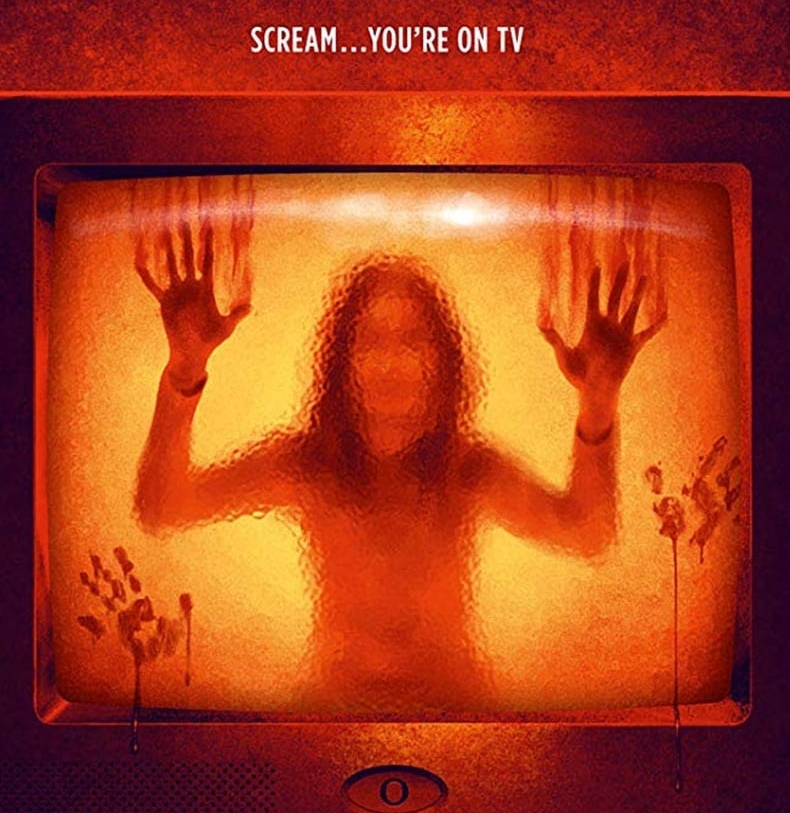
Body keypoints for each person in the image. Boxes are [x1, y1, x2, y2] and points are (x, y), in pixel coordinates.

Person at [135, 223, 665, 713]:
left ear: (444, 362)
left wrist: (599, 400)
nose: (391, 362)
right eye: (371, 340)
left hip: (460, 721)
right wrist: (185, 368)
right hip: (330, 722)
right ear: (340, 362)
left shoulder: (466, 471)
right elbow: (163, 507)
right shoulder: (308, 466)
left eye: (413, 340)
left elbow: (586, 533)